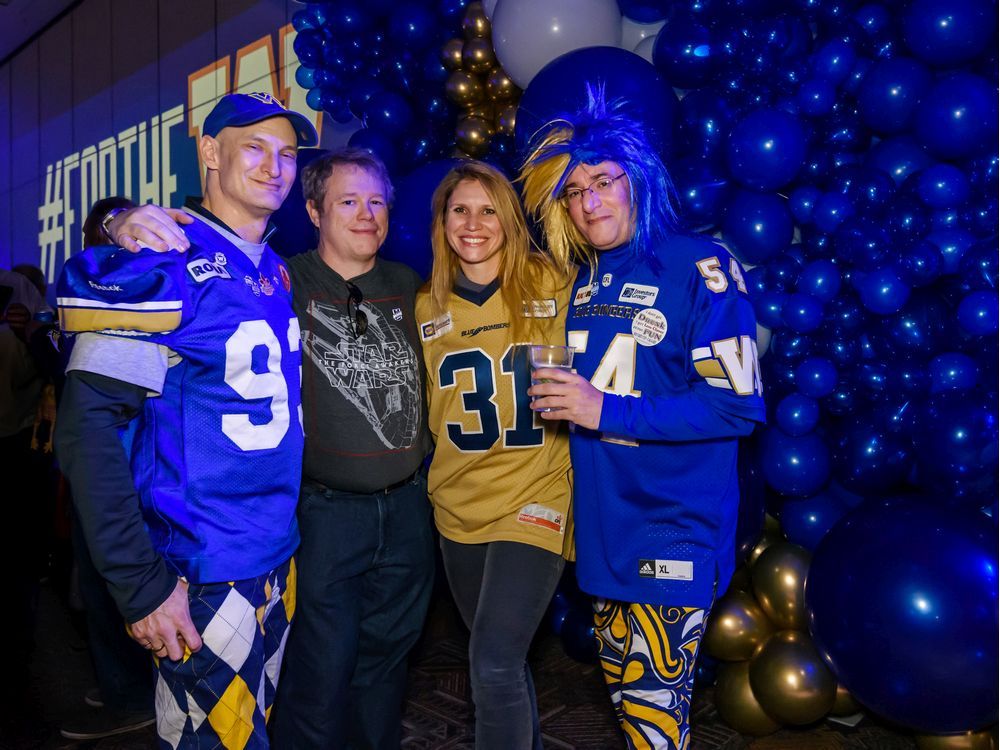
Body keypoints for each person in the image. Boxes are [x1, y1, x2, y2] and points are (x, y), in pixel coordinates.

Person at [103, 147, 436, 749]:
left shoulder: (410, 286)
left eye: (378, 201)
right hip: (323, 513)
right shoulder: (281, 279)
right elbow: (148, 262)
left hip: (410, 511)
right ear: (313, 210)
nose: (367, 214)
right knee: (318, 677)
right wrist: (118, 221)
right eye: (348, 201)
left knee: (387, 668)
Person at [54, 91, 318, 748]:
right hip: (201, 572)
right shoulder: (160, 260)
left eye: (286, 153)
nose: (274, 166)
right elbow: (87, 431)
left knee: (250, 733)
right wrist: (139, 584)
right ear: (207, 151)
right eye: (253, 147)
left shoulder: (275, 267)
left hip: (273, 558)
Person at [520, 91, 766, 750]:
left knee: (655, 726)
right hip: (605, 538)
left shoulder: (703, 267)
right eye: (574, 191)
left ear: (640, 180)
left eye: (604, 181)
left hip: (673, 531)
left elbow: (735, 405)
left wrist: (602, 409)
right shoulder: (581, 281)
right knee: (637, 717)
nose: (590, 201)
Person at [415, 160, 574, 749]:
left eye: (489, 210)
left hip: (536, 496)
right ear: (442, 221)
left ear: (509, 220)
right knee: (503, 665)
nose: (474, 223)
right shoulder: (425, 307)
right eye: (460, 209)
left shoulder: (552, 282)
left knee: (493, 664)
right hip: (458, 506)